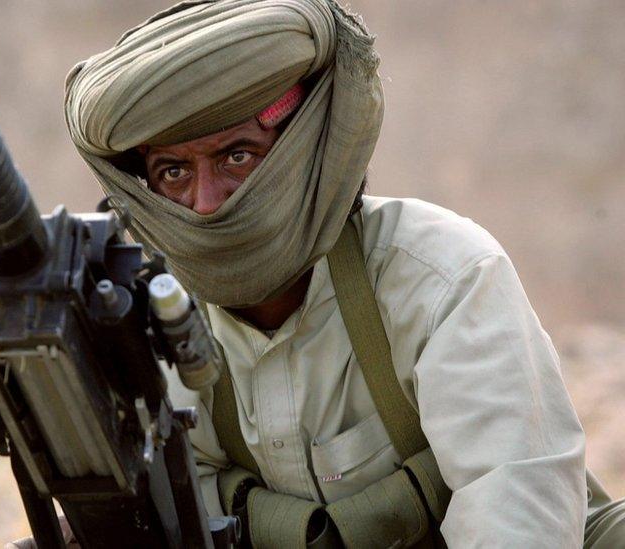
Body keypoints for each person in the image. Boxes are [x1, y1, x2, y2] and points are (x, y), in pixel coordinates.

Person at [62, 0, 625, 546]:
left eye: (237, 156)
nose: (205, 203)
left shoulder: (440, 277)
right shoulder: (150, 323)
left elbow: (517, 515)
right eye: (173, 171)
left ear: (302, 155)